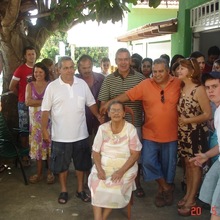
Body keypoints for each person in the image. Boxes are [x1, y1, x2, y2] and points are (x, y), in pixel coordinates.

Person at [100, 58, 181, 207]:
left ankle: (162, 191)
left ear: (168, 71)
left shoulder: (177, 83)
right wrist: (110, 104)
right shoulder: (146, 84)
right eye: (154, 71)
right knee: (148, 162)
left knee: (168, 166)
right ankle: (166, 187)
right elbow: (127, 95)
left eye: (160, 71)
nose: (156, 74)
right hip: (150, 133)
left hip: (171, 134)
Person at [41, 56, 103, 204]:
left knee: (81, 165)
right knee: (62, 167)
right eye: (65, 68)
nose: (69, 71)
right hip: (60, 136)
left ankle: (80, 190)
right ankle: (63, 190)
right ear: (59, 69)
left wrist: (99, 116)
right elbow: (45, 110)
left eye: (71, 67)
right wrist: (44, 129)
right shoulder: (52, 87)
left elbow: (91, 103)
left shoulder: (81, 84)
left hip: (81, 134)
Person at [98, 48, 146, 198]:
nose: (123, 62)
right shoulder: (109, 79)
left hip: (135, 124)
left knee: (135, 156)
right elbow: (103, 104)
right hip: (115, 128)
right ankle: (115, 183)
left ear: (130, 60)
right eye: (120, 59)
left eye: (126, 59)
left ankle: (137, 184)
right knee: (117, 156)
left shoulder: (140, 79)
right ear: (116, 61)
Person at [88, 101, 142, 220]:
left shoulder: (130, 129)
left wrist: (121, 171)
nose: (116, 113)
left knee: (114, 187)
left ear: (123, 114)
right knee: (96, 184)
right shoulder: (102, 128)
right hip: (104, 165)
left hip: (125, 166)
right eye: (113, 110)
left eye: (119, 110)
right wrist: (99, 169)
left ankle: (103, 217)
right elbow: (95, 152)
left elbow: (135, 154)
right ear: (108, 113)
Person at [176, 58, 212, 216]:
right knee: (187, 165)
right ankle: (188, 194)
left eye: (182, 69)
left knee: (195, 165)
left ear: (191, 71)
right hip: (184, 133)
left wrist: (188, 120)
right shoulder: (183, 87)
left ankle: (192, 199)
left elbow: (207, 114)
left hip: (196, 133)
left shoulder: (199, 89)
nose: (178, 71)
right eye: (178, 68)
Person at [190, 71, 220, 220]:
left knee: (216, 208)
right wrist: (206, 156)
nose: (210, 91)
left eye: (214, 86)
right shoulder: (217, 111)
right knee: (207, 194)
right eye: (208, 87)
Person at [76, 54, 105, 188]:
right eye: (84, 68)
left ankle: (101, 175)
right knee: (84, 151)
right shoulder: (75, 80)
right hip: (82, 121)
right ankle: (87, 178)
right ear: (79, 68)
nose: (87, 70)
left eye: (89, 67)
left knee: (101, 150)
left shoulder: (101, 78)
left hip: (100, 120)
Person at [25, 62, 54, 184]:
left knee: (49, 147)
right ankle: (39, 173)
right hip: (35, 125)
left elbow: (52, 102)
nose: (38, 74)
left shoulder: (50, 85)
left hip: (49, 121)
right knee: (38, 149)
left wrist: (36, 101)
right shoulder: (30, 85)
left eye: (40, 72)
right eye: (36, 72)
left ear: (45, 73)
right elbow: (28, 102)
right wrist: (45, 101)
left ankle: (50, 173)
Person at [9, 46, 37, 166]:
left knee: (36, 129)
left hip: (37, 105)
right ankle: (25, 156)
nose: (31, 56)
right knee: (24, 129)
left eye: (33, 54)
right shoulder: (20, 69)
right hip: (23, 105)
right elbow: (11, 87)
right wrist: (21, 96)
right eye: (29, 54)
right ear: (25, 56)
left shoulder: (39, 68)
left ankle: (37, 154)